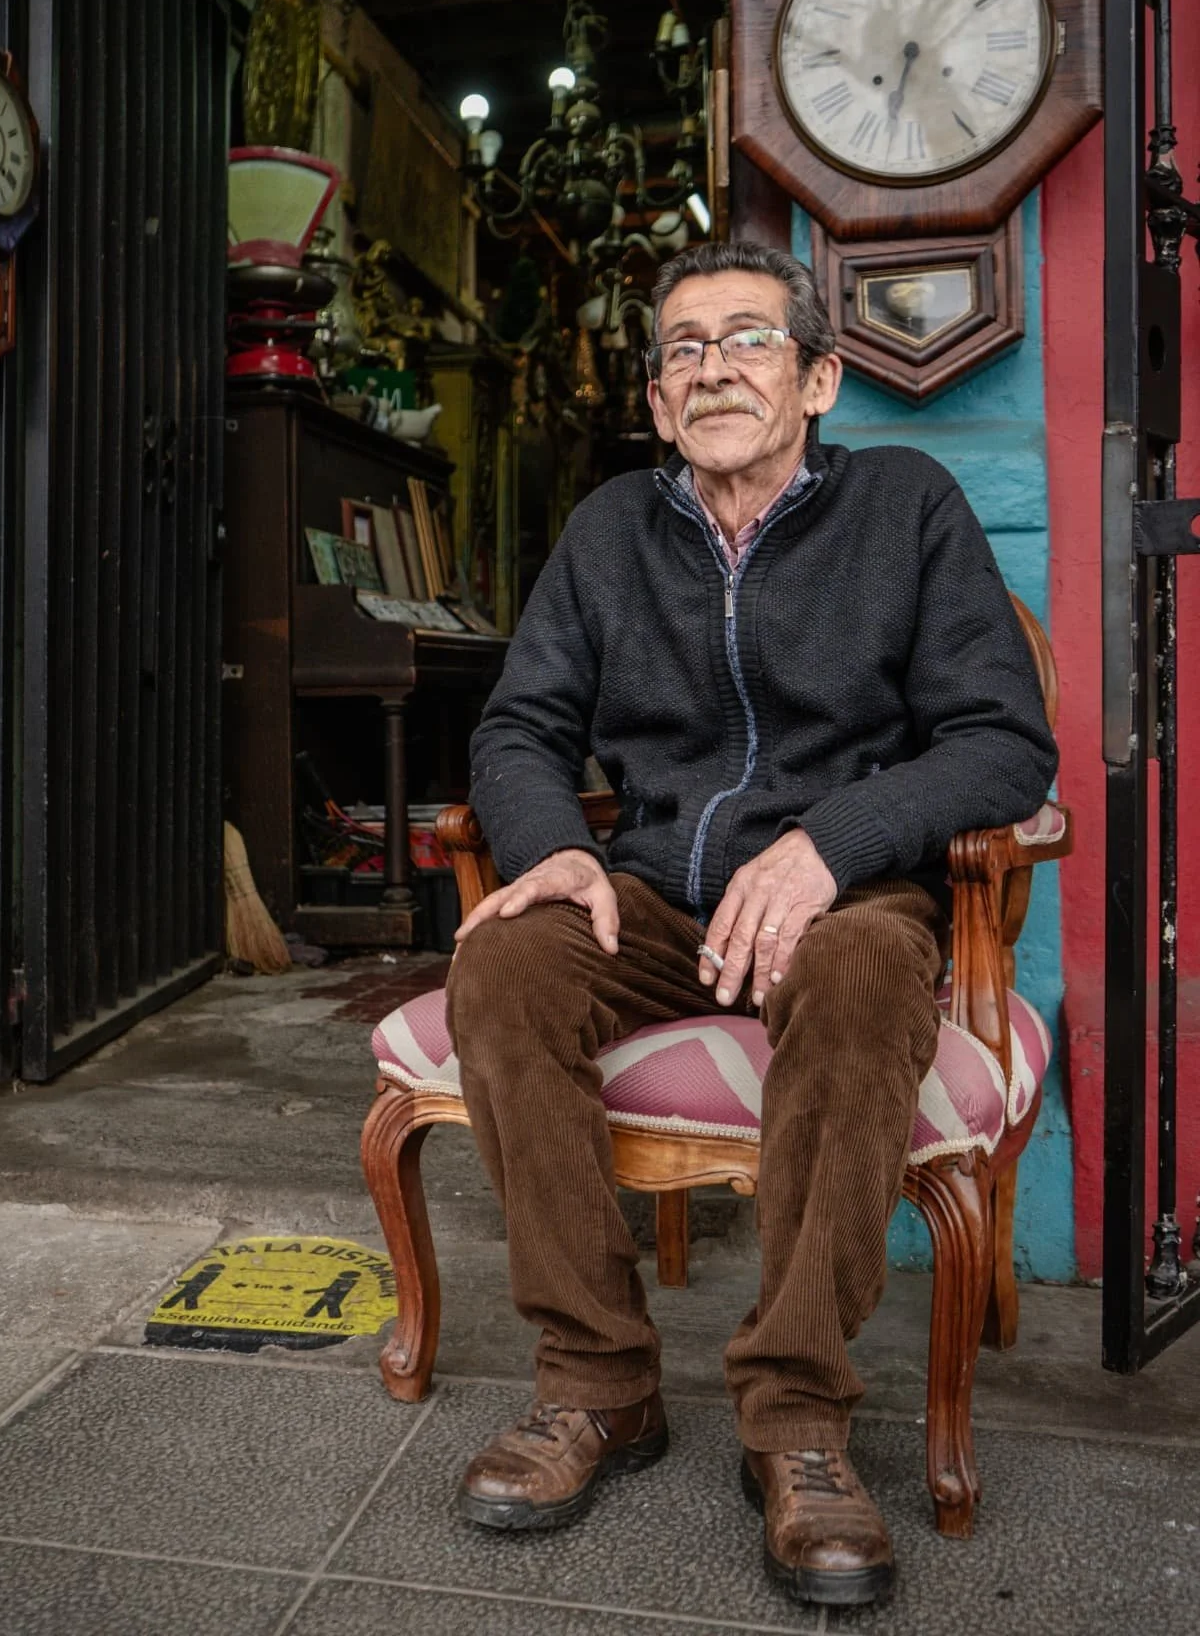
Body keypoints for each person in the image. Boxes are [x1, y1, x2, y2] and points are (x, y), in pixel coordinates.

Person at [444, 240, 1056, 1607]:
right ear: (658, 403)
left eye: (749, 338)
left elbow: (1004, 744)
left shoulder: (906, 508)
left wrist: (828, 844)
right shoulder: (612, 532)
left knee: (851, 980)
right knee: (506, 966)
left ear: (822, 377)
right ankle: (600, 1385)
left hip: (849, 897)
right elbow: (522, 727)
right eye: (682, 349)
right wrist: (556, 852)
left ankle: (795, 1420)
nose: (712, 364)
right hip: (657, 888)